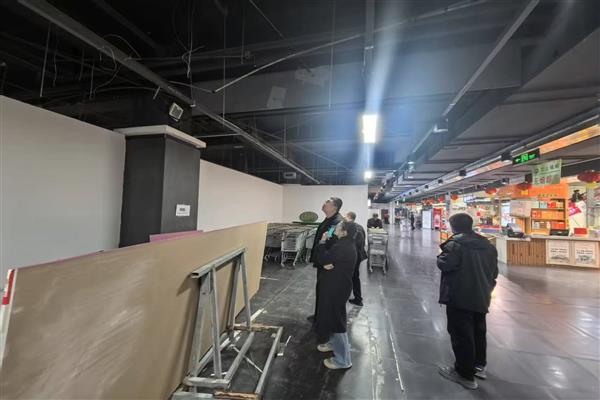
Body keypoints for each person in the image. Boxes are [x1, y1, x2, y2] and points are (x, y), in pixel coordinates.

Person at [437, 213, 498, 390]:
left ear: (453, 226)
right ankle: (479, 365)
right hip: (481, 295)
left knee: (461, 334)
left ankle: (465, 374)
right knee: (478, 330)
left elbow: (445, 264)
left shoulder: (455, 245)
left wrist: (440, 256)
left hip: (459, 295)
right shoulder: (487, 245)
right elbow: (494, 272)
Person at [313, 220, 357, 369]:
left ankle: (343, 360)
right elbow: (328, 260)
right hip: (338, 286)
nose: (335, 228)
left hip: (336, 288)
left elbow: (323, 258)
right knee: (332, 316)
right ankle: (333, 344)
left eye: (338, 227)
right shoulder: (345, 244)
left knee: (337, 321)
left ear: (344, 231)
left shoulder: (342, 247)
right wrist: (327, 261)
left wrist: (322, 242)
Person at [308, 197, 344, 323]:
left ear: (334, 207)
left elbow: (332, 243)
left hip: (327, 263)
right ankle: (319, 315)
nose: (323, 204)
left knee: (326, 291)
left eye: (327, 203)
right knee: (321, 289)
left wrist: (327, 261)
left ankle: (324, 319)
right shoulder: (329, 219)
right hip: (323, 260)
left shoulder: (336, 222)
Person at [345, 211, 367, 307]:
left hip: (352, 256)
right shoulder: (360, 227)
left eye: (346, 217)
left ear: (349, 217)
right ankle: (357, 298)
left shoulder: (349, 228)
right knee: (354, 276)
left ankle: (355, 298)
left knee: (350, 276)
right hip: (359, 255)